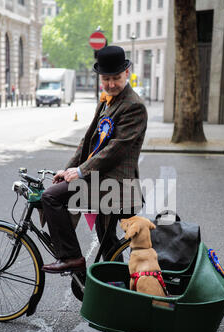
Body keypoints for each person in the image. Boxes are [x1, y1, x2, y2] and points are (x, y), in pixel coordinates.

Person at [41, 45, 148, 274]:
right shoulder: (107, 100)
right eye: (106, 79)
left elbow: (115, 149)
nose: (110, 84)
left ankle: (71, 258)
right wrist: (68, 169)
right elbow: (88, 142)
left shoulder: (134, 106)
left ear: (127, 73)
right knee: (108, 245)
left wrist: (80, 172)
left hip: (117, 185)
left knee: (50, 197)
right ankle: (113, 289)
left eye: (116, 78)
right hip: (100, 178)